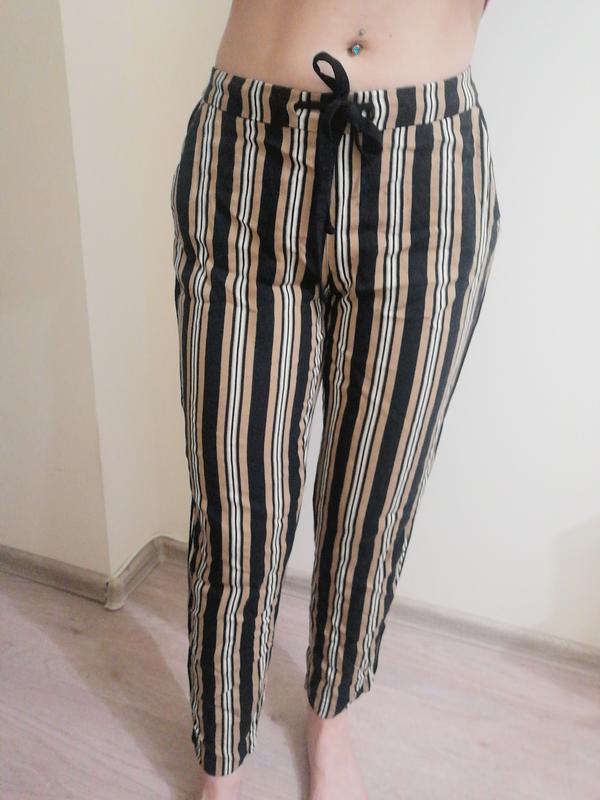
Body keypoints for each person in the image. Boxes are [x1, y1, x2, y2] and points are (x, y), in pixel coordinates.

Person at [170, 0, 501, 797]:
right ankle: (223, 757)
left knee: (374, 499)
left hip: (426, 167)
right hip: (250, 149)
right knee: (236, 501)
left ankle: (331, 721)